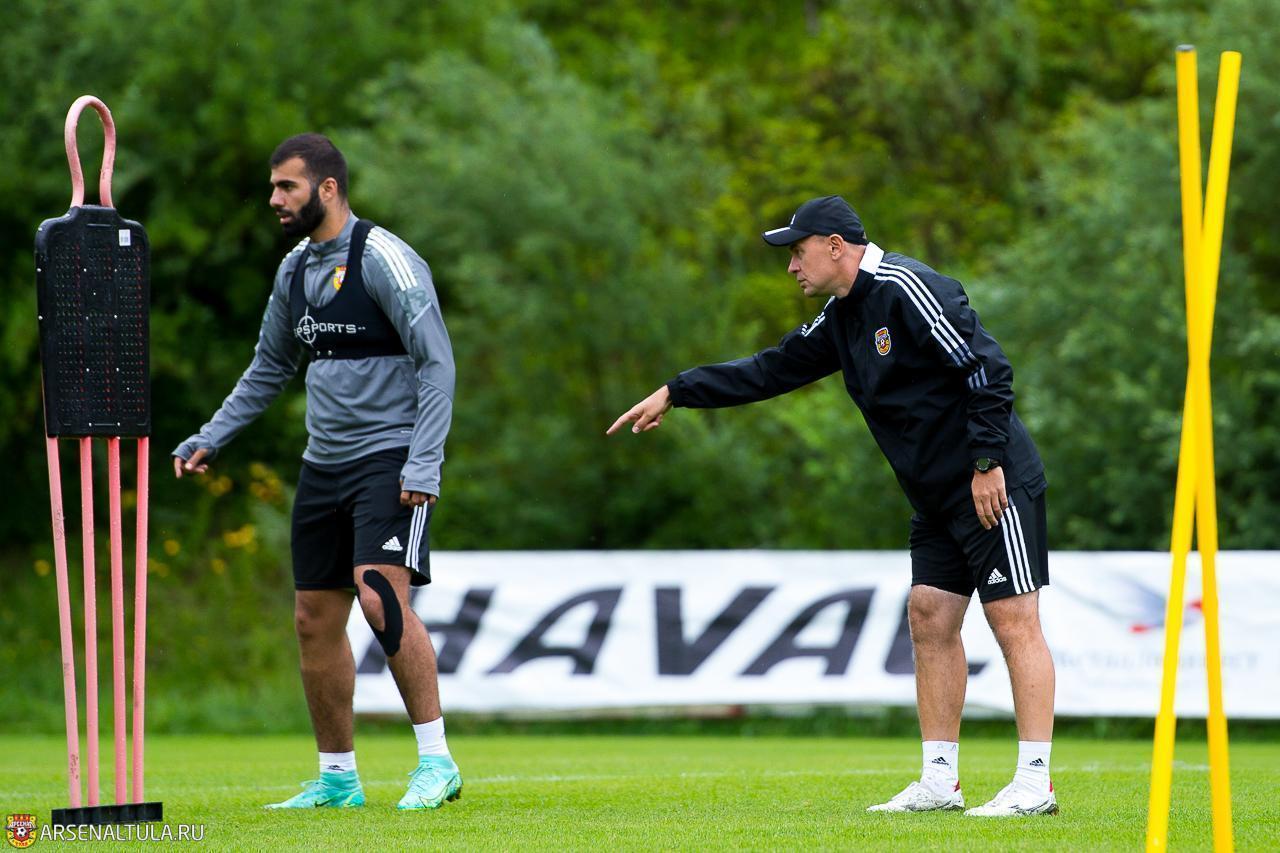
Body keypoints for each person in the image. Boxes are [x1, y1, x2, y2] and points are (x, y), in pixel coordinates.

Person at [607, 196, 1057, 818]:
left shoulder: (907, 287)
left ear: (835, 246)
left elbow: (988, 368)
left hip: (991, 484)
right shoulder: (843, 315)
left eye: (798, 252)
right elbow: (771, 370)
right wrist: (677, 391)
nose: (792, 266)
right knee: (929, 617)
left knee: (1013, 622)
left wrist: (985, 463)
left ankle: (1034, 784)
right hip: (934, 497)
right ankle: (939, 781)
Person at [173, 133, 462, 811]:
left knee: (379, 597)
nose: (275, 199)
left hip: (390, 457)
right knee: (312, 619)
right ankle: (337, 778)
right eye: (273, 187)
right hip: (322, 464)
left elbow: (438, 363)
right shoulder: (294, 270)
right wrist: (211, 436)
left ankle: (437, 761)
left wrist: (424, 460)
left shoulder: (385, 259)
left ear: (327, 188)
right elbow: (269, 367)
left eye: (288, 187)